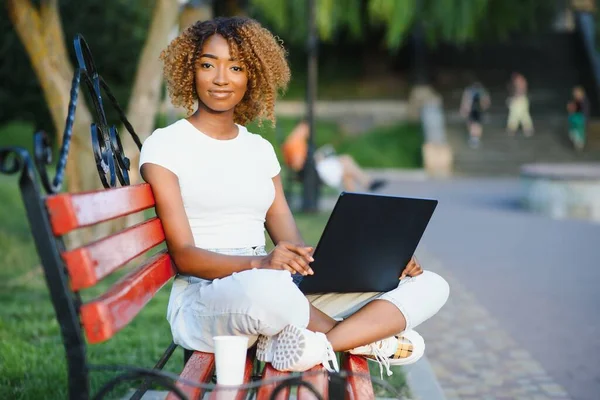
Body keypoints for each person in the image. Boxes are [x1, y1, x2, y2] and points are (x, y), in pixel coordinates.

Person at [139, 16, 449, 377]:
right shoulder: (166, 145)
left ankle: (313, 344)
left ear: (252, 75)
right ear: (190, 70)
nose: (221, 78)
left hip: (277, 288)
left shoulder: (259, 151)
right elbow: (185, 257)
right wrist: (262, 265)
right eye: (208, 65)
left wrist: (378, 262)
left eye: (236, 67)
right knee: (268, 290)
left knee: (430, 284)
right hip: (208, 298)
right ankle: (365, 340)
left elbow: (294, 249)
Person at [282, 120, 387, 192]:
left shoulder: (297, 141)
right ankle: (367, 183)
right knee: (346, 161)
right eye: (307, 129)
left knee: (346, 169)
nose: (308, 132)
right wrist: (315, 159)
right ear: (302, 128)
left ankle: (354, 196)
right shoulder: (294, 143)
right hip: (312, 172)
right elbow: (297, 164)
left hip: (314, 169)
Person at [460, 82, 491, 148]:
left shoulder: (469, 90)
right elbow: (487, 102)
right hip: (479, 109)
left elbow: (465, 100)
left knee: (472, 124)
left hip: (473, 109)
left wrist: (463, 109)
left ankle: (474, 139)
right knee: (477, 124)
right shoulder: (482, 90)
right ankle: (475, 139)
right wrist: (485, 107)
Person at [567, 86, 589, 151]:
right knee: (573, 132)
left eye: (578, 93)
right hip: (574, 120)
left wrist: (584, 119)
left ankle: (580, 142)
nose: (576, 95)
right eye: (575, 93)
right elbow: (571, 110)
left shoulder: (584, 102)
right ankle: (576, 139)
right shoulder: (574, 101)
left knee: (579, 131)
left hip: (581, 120)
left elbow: (585, 112)